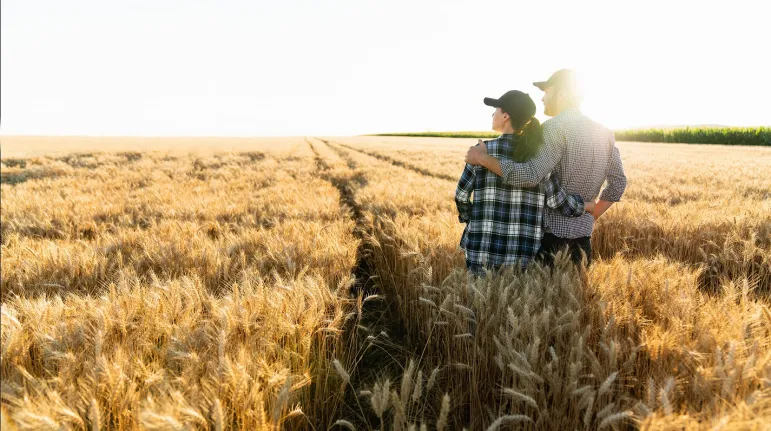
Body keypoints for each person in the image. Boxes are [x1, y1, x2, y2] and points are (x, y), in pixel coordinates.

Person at [465, 70, 627, 267]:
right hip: (584, 242)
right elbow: (618, 183)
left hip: (550, 242)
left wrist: (482, 158)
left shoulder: (553, 128)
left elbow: (530, 175)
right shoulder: (604, 132)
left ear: (563, 94)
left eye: (547, 92)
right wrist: (591, 213)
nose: (542, 98)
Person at [456, 90, 594, 277]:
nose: (492, 114)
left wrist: (473, 219)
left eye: (495, 110)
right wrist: (585, 206)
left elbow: (462, 196)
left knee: (481, 306)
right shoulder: (540, 157)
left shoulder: (480, 153)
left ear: (506, 115)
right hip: (523, 257)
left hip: (481, 250)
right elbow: (556, 201)